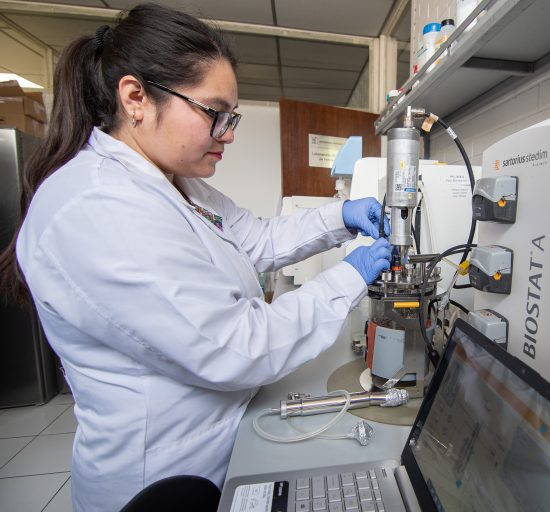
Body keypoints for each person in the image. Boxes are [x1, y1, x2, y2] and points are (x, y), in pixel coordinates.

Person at [0, 4, 391, 511]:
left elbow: (260, 239)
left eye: (233, 116)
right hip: (162, 480)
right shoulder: (95, 207)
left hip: (218, 447)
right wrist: (348, 277)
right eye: (214, 113)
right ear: (135, 97)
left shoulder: (176, 184)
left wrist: (342, 216)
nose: (228, 132)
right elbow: (236, 347)